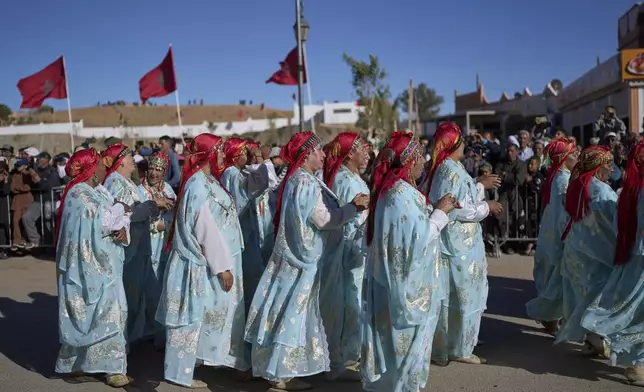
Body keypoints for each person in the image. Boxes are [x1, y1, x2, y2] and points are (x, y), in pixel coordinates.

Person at [244, 131, 369, 391]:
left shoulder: (297, 180)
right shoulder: (306, 183)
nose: (324, 155)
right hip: (301, 260)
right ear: (307, 155)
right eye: (319, 151)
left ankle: (280, 369)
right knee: (293, 312)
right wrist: (353, 208)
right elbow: (323, 220)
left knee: (285, 310)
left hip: (294, 258)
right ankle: (279, 373)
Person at [361, 131, 458, 392]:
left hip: (396, 282)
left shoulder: (397, 190)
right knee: (404, 341)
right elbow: (414, 241)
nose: (424, 162)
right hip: (406, 287)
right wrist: (440, 213)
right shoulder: (399, 194)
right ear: (410, 159)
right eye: (420, 157)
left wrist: (435, 208)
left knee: (396, 341)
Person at [156, 134, 249, 388]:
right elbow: (205, 227)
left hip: (222, 259)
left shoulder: (211, 181)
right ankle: (179, 373)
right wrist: (222, 267)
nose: (222, 155)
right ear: (207, 154)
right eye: (218, 150)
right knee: (192, 316)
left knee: (218, 313)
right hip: (205, 263)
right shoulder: (197, 184)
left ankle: (228, 360)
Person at [421, 122, 503, 365]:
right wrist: (486, 207)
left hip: (457, 242)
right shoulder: (450, 170)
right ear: (452, 145)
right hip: (459, 245)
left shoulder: (446, 168)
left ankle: (457, 341)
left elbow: (460, 197)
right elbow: (458, 209)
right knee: (464, 293)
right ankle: (460, 348)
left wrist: (479, 184)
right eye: (461, 141)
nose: (465, 145)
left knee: (455, 294)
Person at [54, 148, 133, 388]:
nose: (102, 169)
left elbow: (116, 218)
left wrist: (123, 224)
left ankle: (106, 364)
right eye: (98, 164)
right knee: (96, 313)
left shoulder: (96, 191)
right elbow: (105, 219)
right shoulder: (78, 194)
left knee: (108, 313)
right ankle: (102, 368)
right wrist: (121, 208)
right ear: (89, 168)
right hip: (89, 267)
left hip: (106, 265)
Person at [581, 140, 644, 386]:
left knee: (633, 308)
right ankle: (638, 364)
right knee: (637, 310)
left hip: (633, 256)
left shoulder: (632, 188)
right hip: (640, 258)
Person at [102, 144, 167, 344]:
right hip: (129, 251)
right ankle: (121, 344)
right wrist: (154, 206)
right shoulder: (115, 183)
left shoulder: (125, 182)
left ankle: (131, 340)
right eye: (130, 157)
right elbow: (122, 215)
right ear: (121, 161)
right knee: (129, 297)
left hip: (140, 248)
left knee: (139, 297)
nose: (134, 160)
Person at [555, 145, 616, 356]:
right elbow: (615, 222)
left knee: (585, 296)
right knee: (602, 297)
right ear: (598, 166)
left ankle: (591, 340)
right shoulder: (603, 190)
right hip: (597, 254)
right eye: (608, 164)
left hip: (577, 252)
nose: (612, 169)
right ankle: (597, 339)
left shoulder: (578, 185)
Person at [319, 131, 370, 380]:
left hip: (354, 253)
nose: (368, 153)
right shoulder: (345, 180)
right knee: (347, 305)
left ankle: (348, 355)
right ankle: (339, 360)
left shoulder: (351, 177)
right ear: (349, 153)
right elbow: (348, 218)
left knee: (353, 304)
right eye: (362, 149)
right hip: (348, 252)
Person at [525, 137, 577, 334]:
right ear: (564, 158)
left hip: (550, 233)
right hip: (557, 234)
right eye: (572, 153)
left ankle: (552, 321)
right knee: (556, 276)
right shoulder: (562, 179)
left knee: (551, 275)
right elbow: (562, 213)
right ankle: (551, 320)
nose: (576, 156)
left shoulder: (558, 176)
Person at [137, 151, 176, 346]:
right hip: (149, 244)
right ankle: (151, 332)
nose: (154, 173)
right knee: (150, 290)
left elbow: (174, 212)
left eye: (158, 170)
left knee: (164, 289)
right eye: (151, 169)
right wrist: (157, 226)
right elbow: (137, 218)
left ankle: (161, 332)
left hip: (165, 246)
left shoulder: (168, 189)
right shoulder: (140, 191)